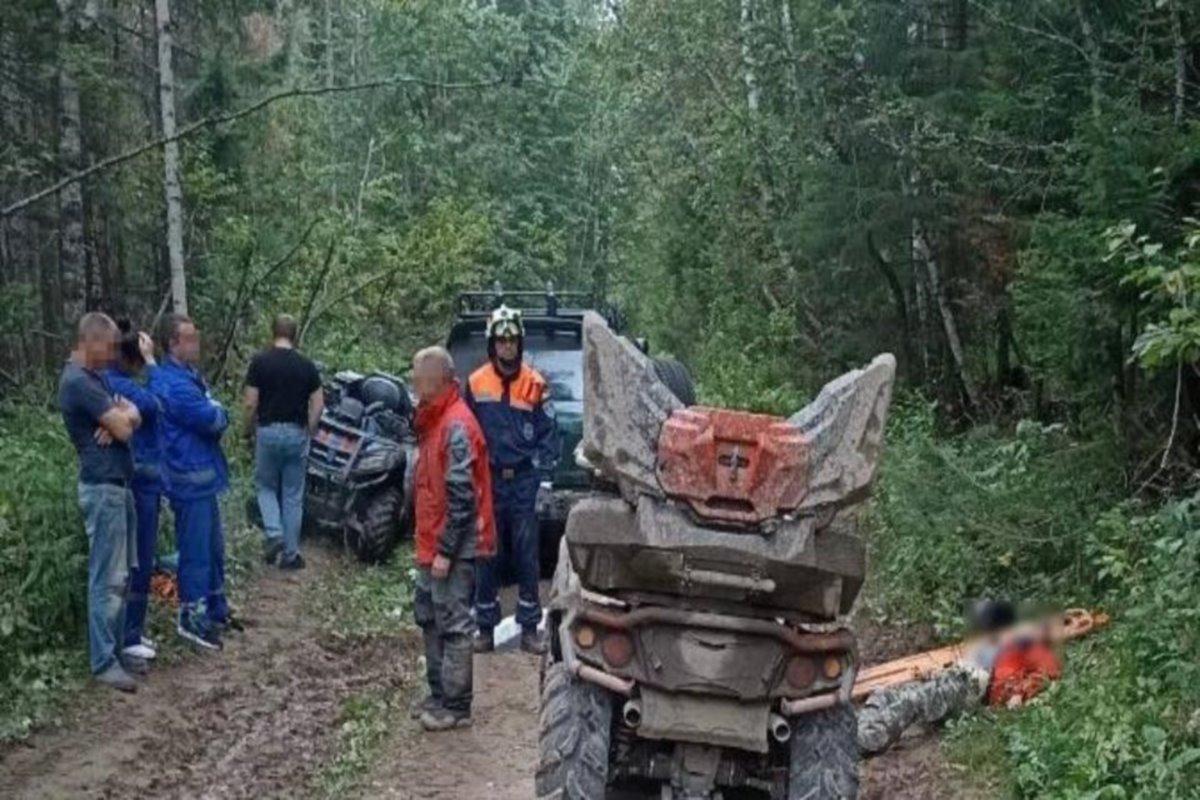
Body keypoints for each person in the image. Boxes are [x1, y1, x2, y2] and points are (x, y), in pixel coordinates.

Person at [410, 346, 496, 731]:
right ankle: (439, 694)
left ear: (435, 378)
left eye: (417, 375)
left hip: (451, 546)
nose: (413, 383)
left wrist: (445, 550)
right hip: (430, 542)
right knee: (429, 617)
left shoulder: (455, 425)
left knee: (454, 623)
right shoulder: (433, 421)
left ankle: (457, 704)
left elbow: (463, 497)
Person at [58, 312, 143, 692]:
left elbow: (131, 416)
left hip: (118, 485)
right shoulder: (79, 382)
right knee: (106, 576)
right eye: (107, 347)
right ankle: (103, 660)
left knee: (121, 575)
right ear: (89, 342)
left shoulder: (97, 379)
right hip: (103, 487)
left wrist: (124, 415)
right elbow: (125, 427)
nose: (112, 356)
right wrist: (121, 421)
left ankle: (116, 650)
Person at [467, 305, 559, 655]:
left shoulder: (535, 384)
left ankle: (530, 628)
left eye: (512, 340)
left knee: (526, 554)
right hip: (488, 479)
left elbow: (550, 434)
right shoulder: (476, 383)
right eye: (501, 340)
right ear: (493, 344)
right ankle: (485, 628)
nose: (507, 347)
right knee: (486, 552)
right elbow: (466, 431)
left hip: (523, 480)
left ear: (520, 343)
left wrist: (543, 476)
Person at [151, 313, 231, 650]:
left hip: (202, 476)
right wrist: (215, 409)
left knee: (212, 550)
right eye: (189, 337)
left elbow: (212, 411)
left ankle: (214, 609)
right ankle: (192, 618)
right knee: (196, 553)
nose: (195, 343)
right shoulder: (173, 385)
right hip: (188, 477)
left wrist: (214, 407)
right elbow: (212, 419)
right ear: (172, 343)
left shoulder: (187, 376)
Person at [103, 320, 165, 663]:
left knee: (133, 557)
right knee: (137, 557)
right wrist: (153, 364)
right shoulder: (122, 385)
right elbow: (159, 404)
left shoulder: (106, 383)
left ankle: (129, 631)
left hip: (137, 478)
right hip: (140, 480)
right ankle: (127, 635)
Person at [243, 314, 323, 570]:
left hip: (267, 431)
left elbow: (250, 402)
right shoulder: (307, 365)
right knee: (292, 495)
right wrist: (309, 429)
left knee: (265, 486)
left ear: (273, 332)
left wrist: (248, 428)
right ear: (295, 334)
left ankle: (274, 532)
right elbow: (319, 404)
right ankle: (290, 555)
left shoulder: (260, 362)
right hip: (296, 432)